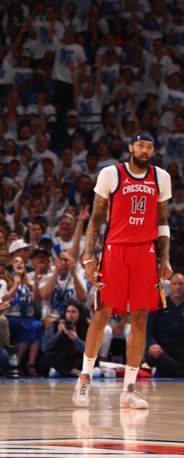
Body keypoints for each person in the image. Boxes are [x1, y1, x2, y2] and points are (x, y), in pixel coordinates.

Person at [74, 134, 173, 409]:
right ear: (131, 148)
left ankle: (129, 389)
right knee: (102, 313)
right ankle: (84, 378)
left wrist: (164, 258)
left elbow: (162, 222)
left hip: (145, 252)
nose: (145, 150)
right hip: (115, 250)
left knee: (140, 318)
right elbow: (95, 218)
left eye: (150, 146)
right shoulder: (111, 173)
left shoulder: (161, 177)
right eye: (140, 145)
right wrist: (88, 255)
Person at [145, 273, 184, 377]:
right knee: (151, 356)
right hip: (162, 348)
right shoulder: (158, 304)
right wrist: (153, 344)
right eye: (175, 284)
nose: (178, 287)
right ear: (170, 286)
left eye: (181, 284)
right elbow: (149, 329)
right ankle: (179, 371)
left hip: (182, 347)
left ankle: (172, 371)